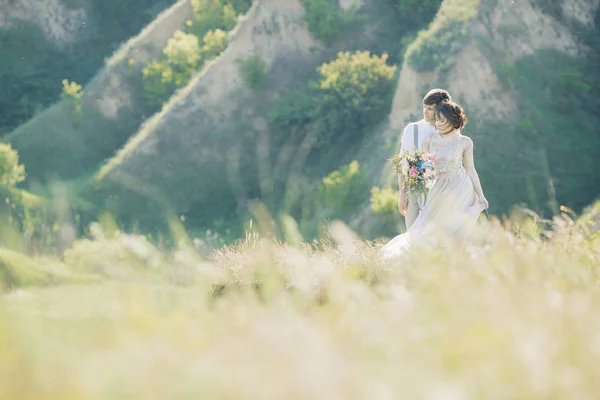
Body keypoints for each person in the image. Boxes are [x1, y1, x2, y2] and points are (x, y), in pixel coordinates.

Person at [381, 100, 488, 259]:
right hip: (438, 189)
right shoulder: (429, 140)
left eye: (442, 120)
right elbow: (425, 169)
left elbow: (471, 170)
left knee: (457, 227)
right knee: (428, 227)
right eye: (437, 120)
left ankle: (455, 263)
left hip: (461, 188)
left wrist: (480, 194)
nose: (438, 124)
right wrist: (415, 176)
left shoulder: (465, 142)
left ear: (453, 120)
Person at [398, 89, 452, 229]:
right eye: (425, 108)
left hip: (441, 193)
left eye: (430, 109)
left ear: (441, 109)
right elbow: (403, 164)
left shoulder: (451, 130)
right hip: (415, 192)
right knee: (413, 234)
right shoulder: (413, 129)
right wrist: (402, 195)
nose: (425, 112)